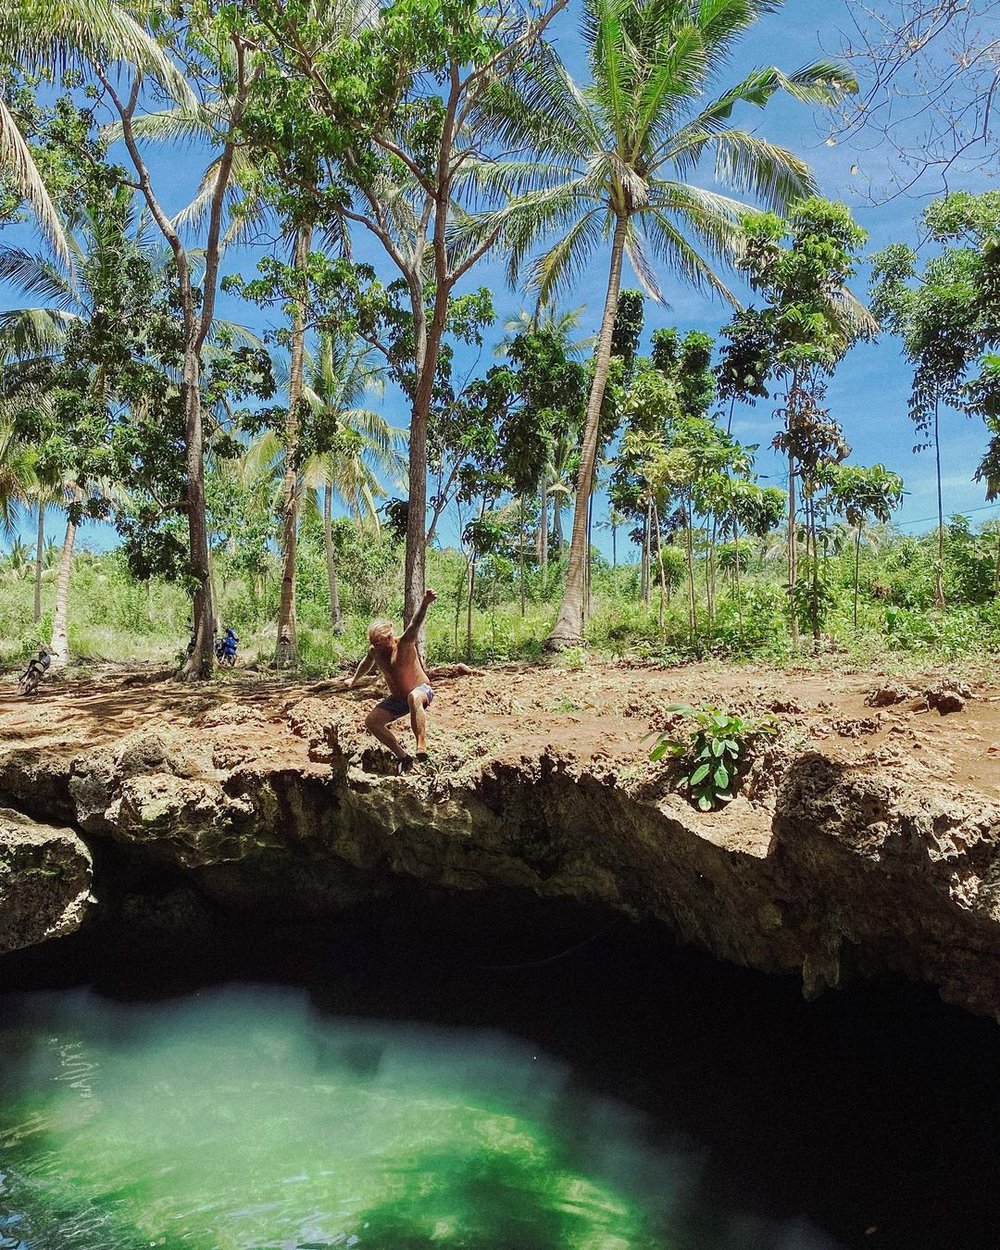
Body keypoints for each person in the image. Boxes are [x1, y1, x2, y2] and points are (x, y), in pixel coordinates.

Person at [346, 589, 437, 772]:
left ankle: (421, 744)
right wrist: (354, 680)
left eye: (378, 643)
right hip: (397, 699)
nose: (375, 647)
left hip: (421, 691)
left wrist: (425, 603)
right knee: (372, 721)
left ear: (389, 638)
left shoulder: (404, 642)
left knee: (413, 697)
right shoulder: (375, 651)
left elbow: (415, 624)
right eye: (372, 643)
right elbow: (366, 663)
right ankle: (402, 757)